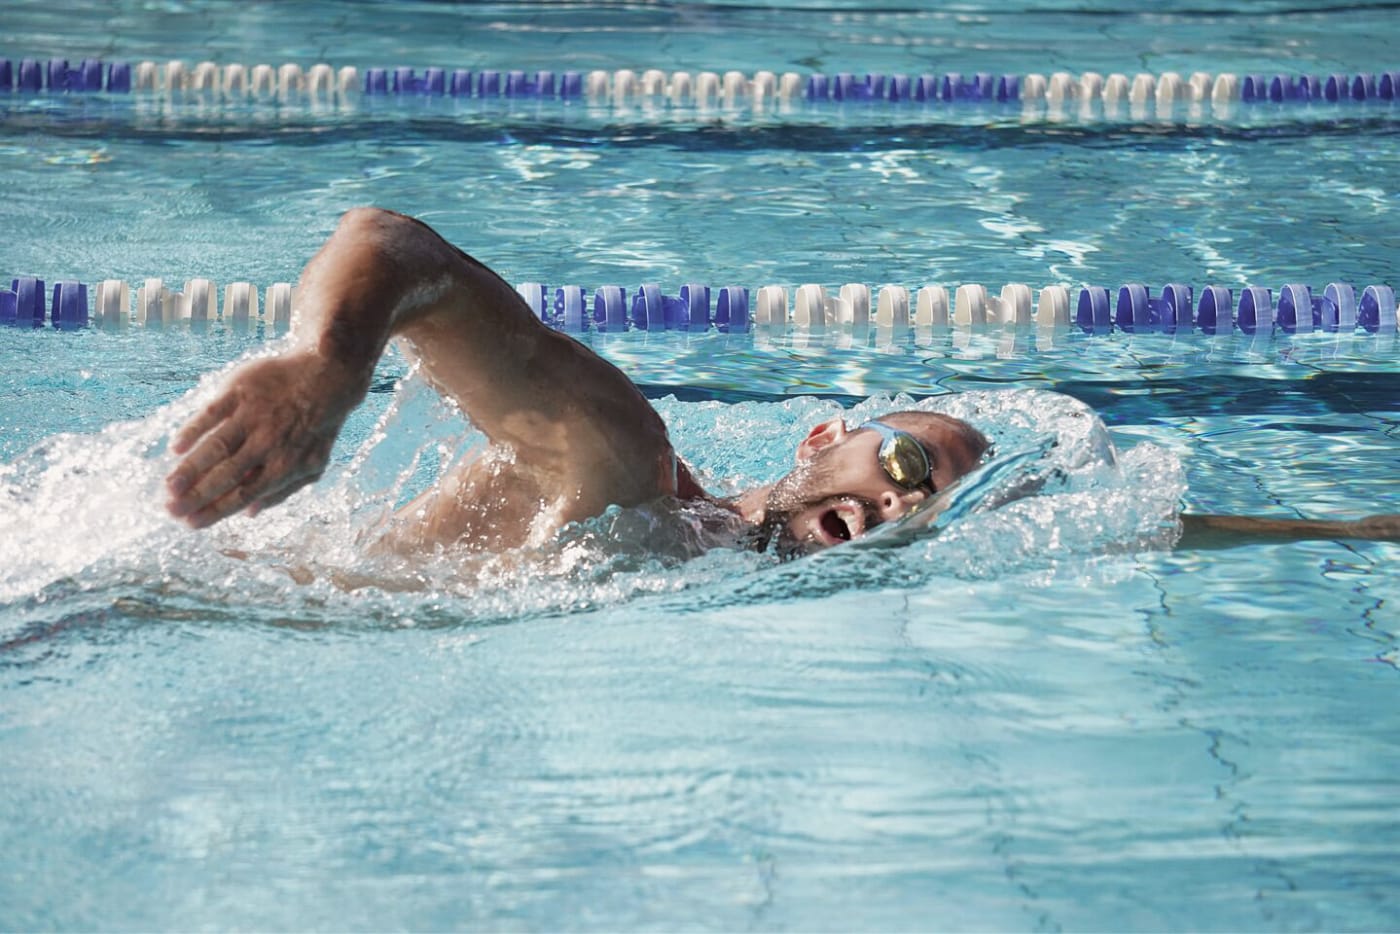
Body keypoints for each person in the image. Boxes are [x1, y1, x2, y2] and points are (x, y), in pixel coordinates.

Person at [164, 208, 1400, 553]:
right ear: (821, 440)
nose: (911, 504)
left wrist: (1353, 525)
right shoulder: (627, 473)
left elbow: (1130, 531)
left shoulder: (720, 557)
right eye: (910, 465)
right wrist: (325, 369)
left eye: (933, 508)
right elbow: (394, 249)